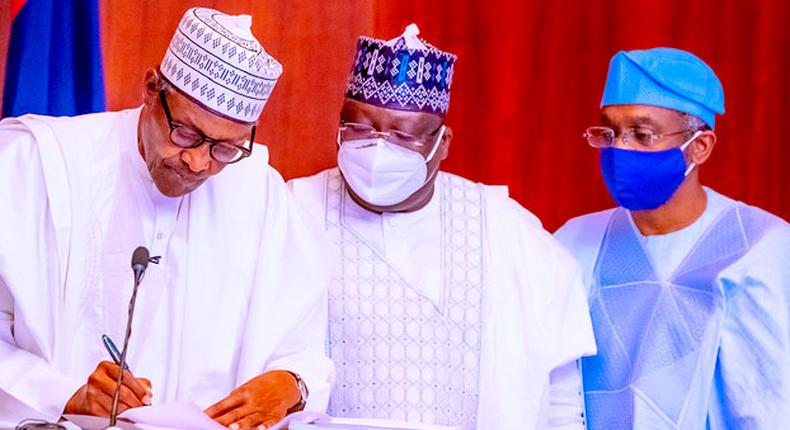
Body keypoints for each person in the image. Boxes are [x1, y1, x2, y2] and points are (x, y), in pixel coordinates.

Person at [0, 7, 333, 429]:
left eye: (225, 148)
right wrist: (62, 393)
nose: (198, 162)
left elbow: (301, 349)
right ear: (151, 87)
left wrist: (289, 385)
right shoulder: (39, 166)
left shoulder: (260, 194)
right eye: (187, 134)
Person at [288, 24, 596, 429]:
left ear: (442, 142)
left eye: (403, 135)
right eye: (360, 128)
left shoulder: (505, 231)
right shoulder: (293, 210)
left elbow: (558, 392)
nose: (378, 148)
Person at [555, 47, 789, 429]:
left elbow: (768, 403)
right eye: (610, 132)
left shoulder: (759, 248)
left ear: (700, 146)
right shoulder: (574, 243)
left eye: (642, 134)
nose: (620, 149)